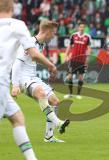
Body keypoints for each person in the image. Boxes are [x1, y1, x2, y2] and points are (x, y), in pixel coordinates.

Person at [0, 0, 55, 159]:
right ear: (12, 8)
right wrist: (51, 65)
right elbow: (33, 53)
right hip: (1, 82)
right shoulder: (17, 25)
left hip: (4, 85)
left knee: (17, 117)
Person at [11, 20, 70, 143]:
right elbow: (17, 64)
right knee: (41, 92)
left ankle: (48, 136)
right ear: (47, 31)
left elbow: (36, 58)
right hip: (23, 79)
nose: (54, 36)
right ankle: (58, 122)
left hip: (33, 78)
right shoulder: (29, 42)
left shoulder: (40, 45)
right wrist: (15, 85)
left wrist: (50, 68)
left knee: (54, 101)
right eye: (53, 33)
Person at [64, 21, 92, 99]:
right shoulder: (74, 35)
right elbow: (69, 46)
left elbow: (89, 48)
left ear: (85, 28)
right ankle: (70, 93)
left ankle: (78, 94)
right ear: (78, 27)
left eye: (83, 27)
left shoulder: (87, 37)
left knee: (80, 78)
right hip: (73, 59)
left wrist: (87, 58)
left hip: (82, 60)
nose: (82, 28)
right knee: (69, 77)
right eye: (80, 27)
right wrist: (66, 55)